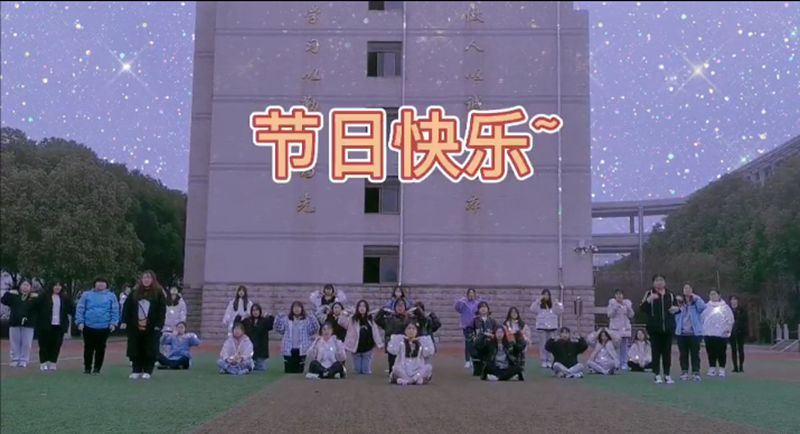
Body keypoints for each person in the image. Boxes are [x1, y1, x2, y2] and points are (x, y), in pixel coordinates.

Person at [121, 270, 167, 380]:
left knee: (150, 348)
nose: (146, 280)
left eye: (149, 278)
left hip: (152, 327)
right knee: (135, 348)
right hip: (135, 326)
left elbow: (162, 310)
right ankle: (136, 370)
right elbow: (127, 307)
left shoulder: (158, 293)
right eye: (144, 278)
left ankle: (147, 370)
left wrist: (159, 324)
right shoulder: (135, 292)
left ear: (153, 280)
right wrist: (124, 321)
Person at [640, 274, 679, 385]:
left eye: (661, 280)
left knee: (667, 353)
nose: (659, 282)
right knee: (656, 352)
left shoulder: (670, 294)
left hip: (668, 329)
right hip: (654, 329)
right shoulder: (649, 293)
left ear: (665, 282)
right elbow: (642, 308)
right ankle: (656, 374)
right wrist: (649, 300)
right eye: (657, 280)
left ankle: (667, 374)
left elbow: (677, 308)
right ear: (653, 282)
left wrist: (676, 309)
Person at [75, 277, 120, 374]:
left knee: (101, 348)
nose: (100, 284)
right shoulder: (86, 295)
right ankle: (87, 368)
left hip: (104, 326)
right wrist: (80, 322)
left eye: (103, 282)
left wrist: (113, 323)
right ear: (94, 284)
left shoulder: (111, 296)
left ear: (106, 285)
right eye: (98, 282)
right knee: (88, 348)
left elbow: (115, 310)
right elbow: (80, 308)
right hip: (88, 325)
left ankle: (97, 368)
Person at [35, 282, 74, 371]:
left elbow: (71, 309)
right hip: (45, 325)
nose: (57, 287)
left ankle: (53, 362)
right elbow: (35, 307)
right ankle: (43, 363)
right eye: (55, 285)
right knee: (44, 345)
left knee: (56, 345)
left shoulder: (65, 298)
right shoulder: (43, 297)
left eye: (59, 285)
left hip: (59, 326)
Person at [339, 299, 384, 375]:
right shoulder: (352, 319)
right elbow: (341, 322)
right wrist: (344, 313)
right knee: (357, 371)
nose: (362, 308)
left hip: (368, 350)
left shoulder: (370, 320)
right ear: (357, 308)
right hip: (356, 350)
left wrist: (379, 344)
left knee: (365, 371)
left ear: (367, 308)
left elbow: (376, 333)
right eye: (360, 306)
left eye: (364, 306)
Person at [274, 301, 320, 373]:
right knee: (288, 370)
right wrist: (279, 317)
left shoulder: (306, 320)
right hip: (288, 349)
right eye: (295, 307)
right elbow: (278, 328)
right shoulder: (287, 320)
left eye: (299, 307)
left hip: (301, 349)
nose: (297, 309)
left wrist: (312, 317)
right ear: (292, 309)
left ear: (302, 309)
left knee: (299, 371)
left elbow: (315, 329)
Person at [1, 281, 39, 368]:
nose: (25, 287)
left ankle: (24, 360)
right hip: (15, 323)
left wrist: (37, 297)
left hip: (28, 324)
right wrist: (9, 293)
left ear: (30, 287)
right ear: (20, 286)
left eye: (27, 285)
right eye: (24, 285)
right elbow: (3, 300)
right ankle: (15, 359)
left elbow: (40, 307)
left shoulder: (33, 298)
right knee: (14, 342)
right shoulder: (14, 296)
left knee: (26, 343)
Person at [674, 284, 706, 381]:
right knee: (683, 354)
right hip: (681, 332)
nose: (686, 290)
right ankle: (684, 371)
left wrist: (695, 297)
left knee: (695, 353)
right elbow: (673, 311)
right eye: (685, 288)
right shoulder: (680, 302)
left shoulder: (696, 301)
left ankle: (696, 372)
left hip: (694, 333)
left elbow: (703, 307)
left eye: (688, 288)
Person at [702, 290, 735, 378]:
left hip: (721, 334)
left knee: (721, 351)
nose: (713, 296)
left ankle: (721, 369)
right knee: (710, 351)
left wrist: (728, 329)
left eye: (714, 294)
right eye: (711, 294)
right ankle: (712, 368)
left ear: (719, 295)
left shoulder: (725, 307)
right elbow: (702, 318)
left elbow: (730, 319)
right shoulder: (706, 306)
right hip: (708, 333)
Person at [375, 298, 413, 373]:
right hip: (392, 346)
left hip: (405, 345)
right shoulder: (389, 319)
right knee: (392, 365)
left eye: (402, 305)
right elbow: (377, 320)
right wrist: (382, 310)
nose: (400, 307)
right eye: (398, 305)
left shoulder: (409, 319)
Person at [530, 289, 563, 368]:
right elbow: (532, 309)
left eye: (547, 295)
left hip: (552, 328)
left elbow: (560, 311)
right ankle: (543, 360)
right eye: (544, 294)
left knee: (550, 344)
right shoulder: (539, 305)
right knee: (543, 345)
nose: (546, 296)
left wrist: (557, 304)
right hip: (542, 328)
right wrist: (538, 300)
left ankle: (549, 360)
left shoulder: (553, 305)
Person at [466, 301, 500, 377]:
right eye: (481, 307)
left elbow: (498, 331)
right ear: (478, 310)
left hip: (490, 344)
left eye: (485, 307)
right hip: (478, 344)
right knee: (477, 373)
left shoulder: (492, 321)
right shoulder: (474, 320)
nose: (483, 309)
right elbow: (468, 331)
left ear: (488, 309)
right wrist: (473, 337)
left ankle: (489, 368)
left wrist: (493, 336)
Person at [607, 289, 634, 370]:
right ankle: (616, 362)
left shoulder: (627, 303)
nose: (619, 296)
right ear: (615, 296)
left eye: (620, 294)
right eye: (617, 294)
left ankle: (624, 363)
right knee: (615, 347)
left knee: (624, 347)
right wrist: (615, 307)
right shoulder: (612, 303)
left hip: (625, 328)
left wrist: (629, 308)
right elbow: (609, 315)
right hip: (615, 328)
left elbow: (631, 315)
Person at [454, 288, 482, 369]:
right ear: (467, 294)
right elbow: (457, 308)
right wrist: (460, 301)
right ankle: (467, 360)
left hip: (476, 325)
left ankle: (474, 360)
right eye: (470, 293)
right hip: (466, 326)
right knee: (468, 342)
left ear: (475, 294)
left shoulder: (477, 303)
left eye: (472, 293)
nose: (471, 295)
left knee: (475, 343)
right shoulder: (463, 303)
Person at [241, 304, 274, 371]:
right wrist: (242, 317)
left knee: (260, 369)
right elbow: (238, 326)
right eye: (253, 310)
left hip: (261, 350)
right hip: (249, 350)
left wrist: (270, 317)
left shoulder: (264, 320)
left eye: (257, 310)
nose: (255, 312)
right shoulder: (248, 321)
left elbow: (270, 326)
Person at [729, 295, 748, 373]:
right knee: (733, 350)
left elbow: (744, 321)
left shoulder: (742, 310)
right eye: (732, 299)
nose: (733, 301)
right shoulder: (728, 310)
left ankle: (741, 366)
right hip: (731, 332)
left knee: (741, 349)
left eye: (735, 299)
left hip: (740, 332)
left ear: (737, 301)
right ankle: (735, 367)